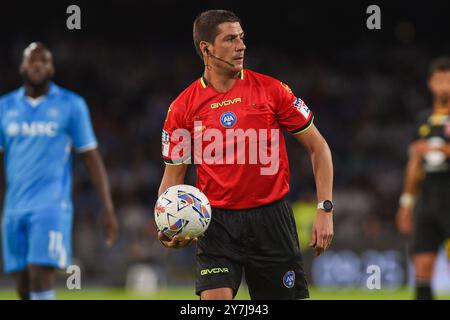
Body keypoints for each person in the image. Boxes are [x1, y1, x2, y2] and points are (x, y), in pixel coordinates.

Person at [157, 10, 334, 300]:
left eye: (241, 37)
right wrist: (164, 223)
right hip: (216, 225)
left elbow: (319, 148)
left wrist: (324, 208)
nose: (241, 45)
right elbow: (173, 177)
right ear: (206, 48)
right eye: (230, 39)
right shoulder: (182, 108)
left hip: (271, 220)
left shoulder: (273, 91)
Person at [0, 42, 119, 300]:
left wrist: (107, 208)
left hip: (51, 206)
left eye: (43, 61)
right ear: (22, 66)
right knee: (21, 284)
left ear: (51, 68)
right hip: (13, 208)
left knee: (40, 275)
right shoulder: (4, 107)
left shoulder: (71, 105)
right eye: (32, 60)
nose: (37, 66)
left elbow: (91, 158)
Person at [396, 57, 450, 300]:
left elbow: (424, 151)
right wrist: (406, 203)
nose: (444, 86)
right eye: (440, 80)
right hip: (426, 199)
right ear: (430, 83)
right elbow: (414, 163)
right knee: (422, 267)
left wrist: (437, 150)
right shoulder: (422, 119)